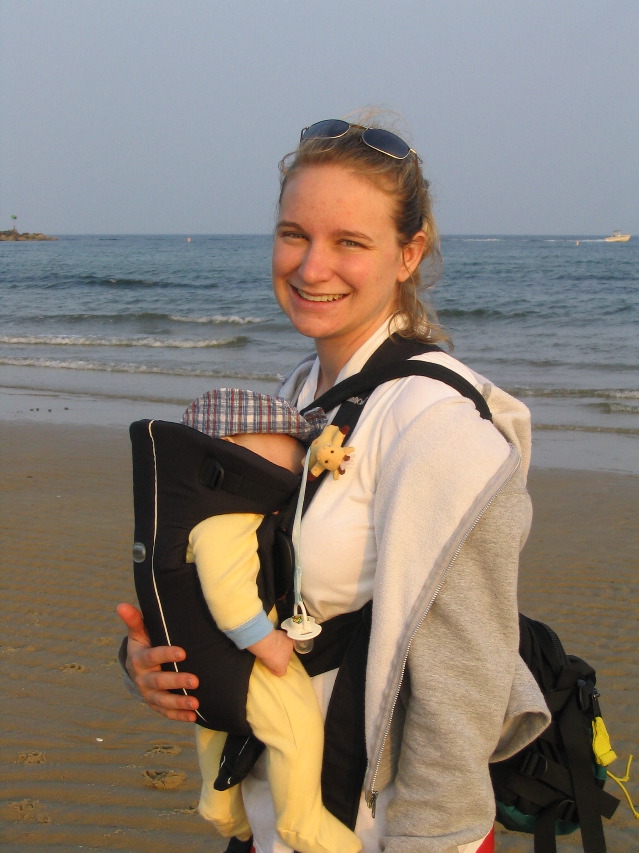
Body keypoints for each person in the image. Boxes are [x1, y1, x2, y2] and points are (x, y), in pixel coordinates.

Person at [119, 113, 551, 853]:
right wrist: (150, 663)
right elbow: (247, 572)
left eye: (350, 242)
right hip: (276, 813)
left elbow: (463, 683)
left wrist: (430, 840)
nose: (312, 268)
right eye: (294, 234)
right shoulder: (297, 394)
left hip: (380, 827)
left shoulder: (437, 430)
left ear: (408, 253)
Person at [131, 388, 360, 853]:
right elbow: (230, 595)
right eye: (287, 451)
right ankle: (301, 821)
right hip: (246, 655)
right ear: (233, 448)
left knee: (217, 724)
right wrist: (267, 644)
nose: (296, 465)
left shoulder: (196, 509)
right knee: (295, 729)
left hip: (203, 656)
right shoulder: (227, 518)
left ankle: (219, 805)